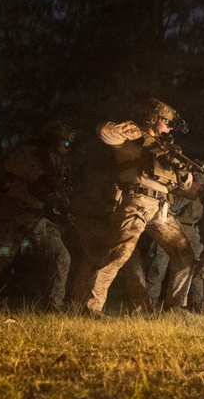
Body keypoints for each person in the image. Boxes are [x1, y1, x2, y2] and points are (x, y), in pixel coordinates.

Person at [78, 98, 197, 316]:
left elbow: (186, 184)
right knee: (120, 252)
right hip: (136, 203)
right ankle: (90, 308)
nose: (170, 128)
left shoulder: (168, 149)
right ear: (153, 119)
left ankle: (175, 308)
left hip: (161, 209)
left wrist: (181, 170)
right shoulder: (133, 141)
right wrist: (138, 131)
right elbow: (104, 131)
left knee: (184, 254)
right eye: (167, 122)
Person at [0, 121, 76, 310]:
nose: (66, 148)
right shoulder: (27, 154)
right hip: (14, 213)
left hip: (36, 217)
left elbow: (56, 191)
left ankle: (53, 305)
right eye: (65, 143)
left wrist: (63, 209)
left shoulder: (59, 164)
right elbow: (20, 177)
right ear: (53, 140)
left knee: (60, 255)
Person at [146, 161, 204, 311]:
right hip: (170, 229)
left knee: (197, 269)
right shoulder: (178, 188)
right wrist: (191, 194)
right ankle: (148, 303)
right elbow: (172, 207)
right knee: (159, 267)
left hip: (192, 233)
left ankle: (198, 305)